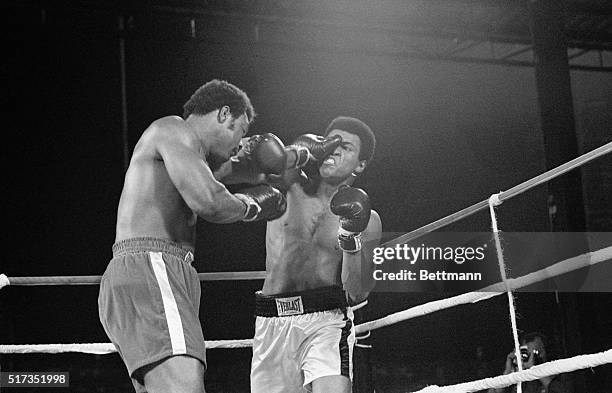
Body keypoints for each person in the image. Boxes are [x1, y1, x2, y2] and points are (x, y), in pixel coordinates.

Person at [98, 79, 287, 393]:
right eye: (241, 130)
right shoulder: (174, 130)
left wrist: (300, 156)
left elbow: (259, 171)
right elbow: (210, 201)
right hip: (154, 268)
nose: (240, 143)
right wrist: (252, 205)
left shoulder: (189, 157)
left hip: (153, 272)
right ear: (224, 113)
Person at [249, 116, 383, 393]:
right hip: (271, 320)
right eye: (329, 142)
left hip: (326, 320)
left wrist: (349, 238)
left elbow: (357, 293)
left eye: (345, 147)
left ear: (360, 165)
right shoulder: (289, 184)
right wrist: (300, 150)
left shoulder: (367, 219)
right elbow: (264, 156)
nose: (333, 150)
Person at [488, 332, 573, 393]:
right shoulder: (520, 377)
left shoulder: (558, 372)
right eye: (526, 352)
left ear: (544, 352)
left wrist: (535, 370)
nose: (531, 356)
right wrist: (508, 371)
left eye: (536, 351)